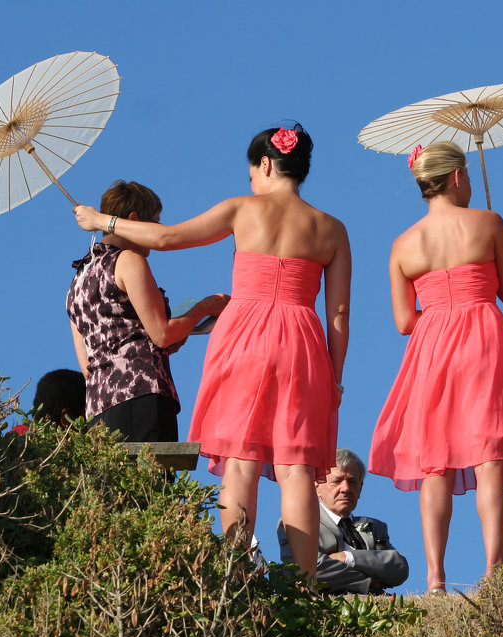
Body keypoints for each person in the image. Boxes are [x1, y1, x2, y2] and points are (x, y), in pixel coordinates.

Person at [74, 126, 351, 580]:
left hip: (244, 334)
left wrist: (102, 221)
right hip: (303, 340)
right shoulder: (332, 229)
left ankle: (238, 573)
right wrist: (334, 375)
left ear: (264, 165)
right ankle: (304, 588)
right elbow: (338, 313)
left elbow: (167, 239)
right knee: (297, 467)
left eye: (251, 175)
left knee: (242, 460)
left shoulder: (242, 209)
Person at [369, 142, 503, 594]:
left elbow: (402, 322)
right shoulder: (488, 223)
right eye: (467, 176)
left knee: (436, 461)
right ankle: (495, 570)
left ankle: (435, 577)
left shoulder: (402, 245)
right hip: (484, 338)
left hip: (431, 347)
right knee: (490, 456)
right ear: (456, 177)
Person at [67, 180, 230, 442]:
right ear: (134, 219)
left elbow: (87, 366)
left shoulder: (77, 283)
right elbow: (162, 335)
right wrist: (205, 307)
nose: (158, 230)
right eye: (155, 222)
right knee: (154, 481)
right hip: (142, 393)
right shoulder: (129, 260)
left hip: (98, 407)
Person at [277, 448, 408, 594]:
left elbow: (398, 567)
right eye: (336, 481)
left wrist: (348, 557)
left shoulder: (375, 527)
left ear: (361, 488)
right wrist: (369, 581)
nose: (345, 488)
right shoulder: (298, 523)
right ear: (317, 486)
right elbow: (308, 569)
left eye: (352, 482)